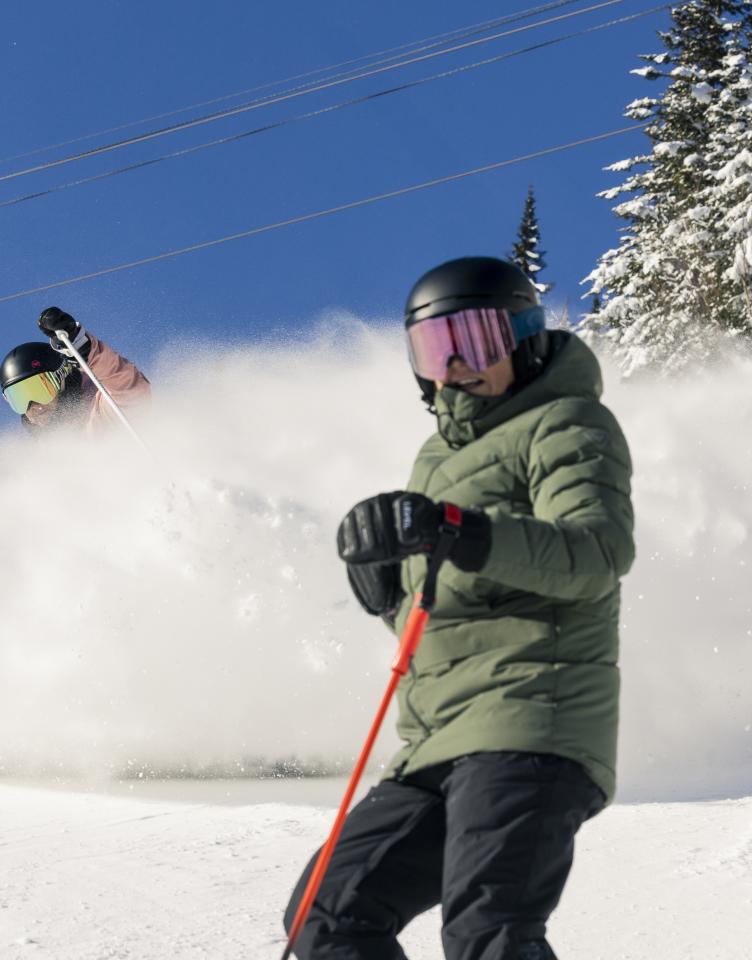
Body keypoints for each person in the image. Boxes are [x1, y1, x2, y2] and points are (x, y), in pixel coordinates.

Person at [283, 257, 635, 960]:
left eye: (474, 341)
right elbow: (453, 605)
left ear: (523, 338)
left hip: (531, 718)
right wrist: (390, 596)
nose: (454, 367)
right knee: (325, 915)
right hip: (437, 740)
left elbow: (596, 553)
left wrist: (457, 530)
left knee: (488, 931)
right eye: (434, 349)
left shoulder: (565, 421)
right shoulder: (434, 459)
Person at [0, 306, 150, 431]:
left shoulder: (97, 413)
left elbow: (131, 392)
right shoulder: (39, 451)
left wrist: (84, 349)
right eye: (20, 399)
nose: (35, 407)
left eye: (41, 390)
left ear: (62, 377)